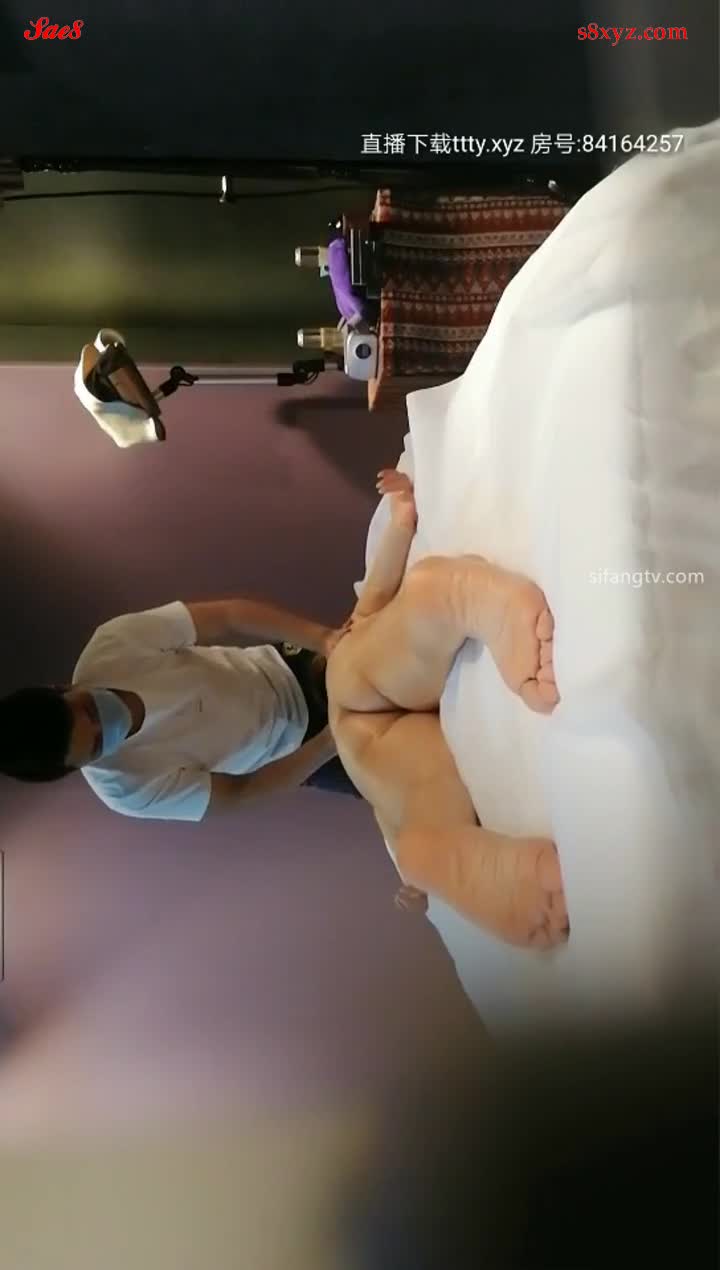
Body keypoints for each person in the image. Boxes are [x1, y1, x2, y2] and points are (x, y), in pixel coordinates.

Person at [325, 469, 569, 949]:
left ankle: (425, 847)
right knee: (404, 636)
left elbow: (383, 803)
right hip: (359, 694)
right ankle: (442, 597)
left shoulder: (356, 649)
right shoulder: (354, 637)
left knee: (424, 791)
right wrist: (401, 520)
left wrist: (402, 519)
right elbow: (375, 592)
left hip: (368, 739)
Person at [0, 595, 359, 820]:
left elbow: (228, 615)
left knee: (372, 659)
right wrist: (330, 742)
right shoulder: (127, 790)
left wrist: (325, 640)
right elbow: (243, 790)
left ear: (60, 688)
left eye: (91, 710)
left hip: (285, 669)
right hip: (299, 751)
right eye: (97, 745)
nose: (107, 725)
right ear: (76, 766)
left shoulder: (113, 647)